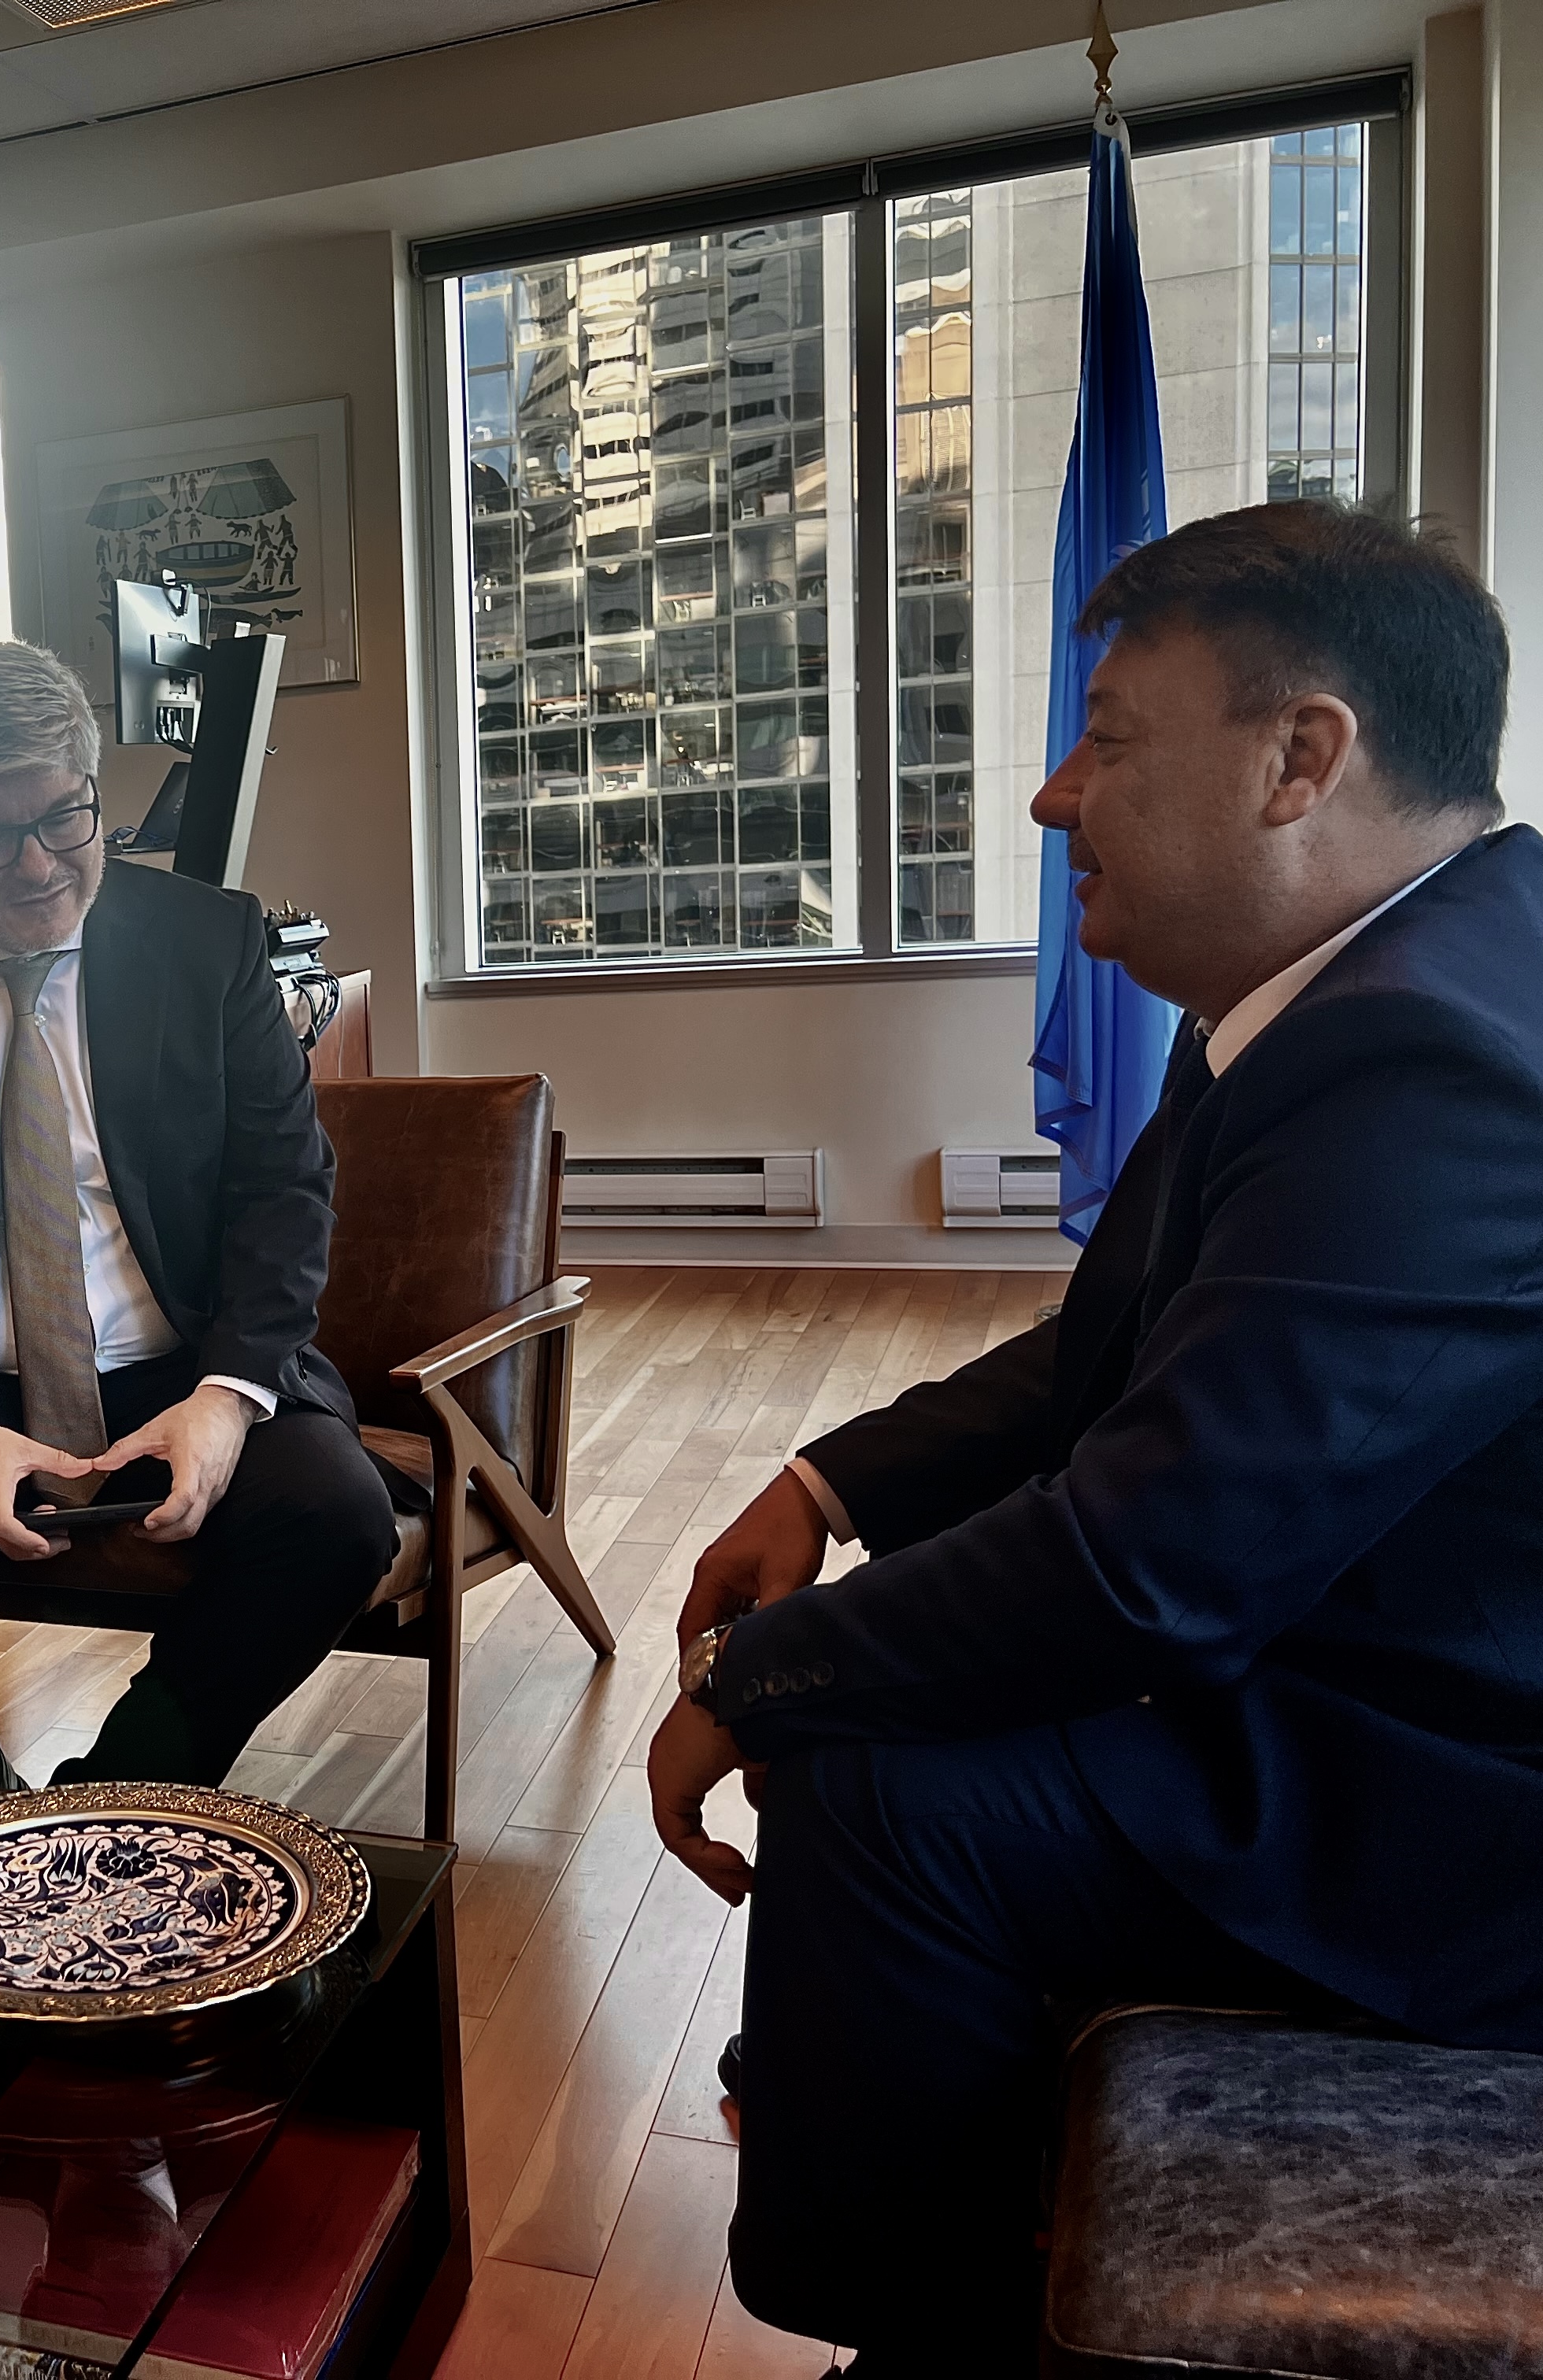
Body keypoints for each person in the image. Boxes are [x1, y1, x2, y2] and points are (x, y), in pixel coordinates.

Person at [646, 506, 1543, 2372]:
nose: (1055, 797)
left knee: (880, 1791)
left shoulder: (1429, 1062)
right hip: (1387, 1655)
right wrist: (830, 1481)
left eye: (1110, 739)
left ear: (1302, 757)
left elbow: (1153, 1561)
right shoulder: (1389, 975)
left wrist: (760, 1676)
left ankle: (920, 2324)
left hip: (1466, 1794)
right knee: (914, 1657)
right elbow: (1128, 1344)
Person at [0, 639, 399, 1789]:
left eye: (65, 818)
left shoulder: (209, 943)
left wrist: (227, 1398)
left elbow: (283, 1192)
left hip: (183, 1364)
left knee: (337, 1521)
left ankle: (124, 1797)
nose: (40, 867)